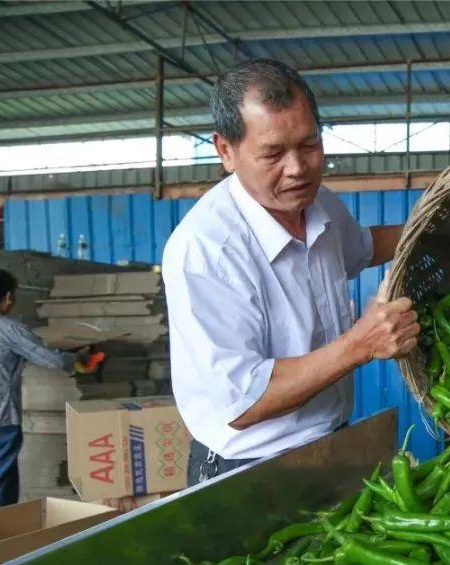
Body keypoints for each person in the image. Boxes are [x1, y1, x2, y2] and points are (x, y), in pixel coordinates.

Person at [162, 58, 419, 486]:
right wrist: (360, 344)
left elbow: (365, 246)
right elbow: (241, 403)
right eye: (273, 153)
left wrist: (436, 221)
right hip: (248, 471)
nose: (298, 168)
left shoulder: (319, 207)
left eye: (309, 145)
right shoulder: (206, 251)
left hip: (328, 447)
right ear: (225, 150)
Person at [0, 269, 92, 506]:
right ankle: (0, 536)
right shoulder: (7, 328)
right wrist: (78, 358)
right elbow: (52, 359)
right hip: (0, 420)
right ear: (8, 297)